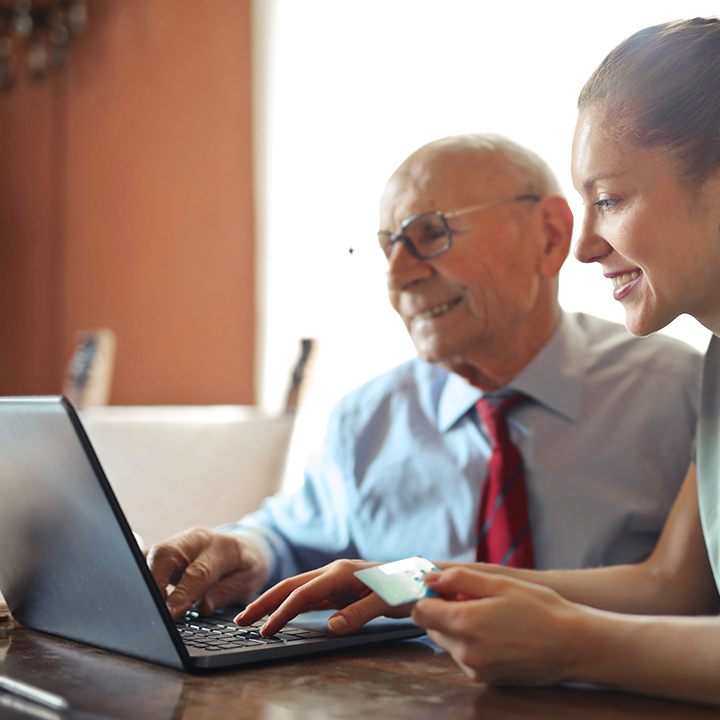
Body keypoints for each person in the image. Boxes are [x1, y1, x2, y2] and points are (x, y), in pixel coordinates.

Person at [237, 17, 720, 707]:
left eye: (609, 198)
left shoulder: (672, 386)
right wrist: (413, 579)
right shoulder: (718, 368)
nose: (585, 248)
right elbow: (670, 586)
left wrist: (573, 643)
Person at [146, 134, 701, 627]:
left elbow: (687, 592)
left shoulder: (681, 393)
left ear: (551, 236)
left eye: (430, 233)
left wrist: (414, 581)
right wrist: (244, 550)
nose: (398, 277)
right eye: (389, 245)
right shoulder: (366, 419)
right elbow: (290, 537)